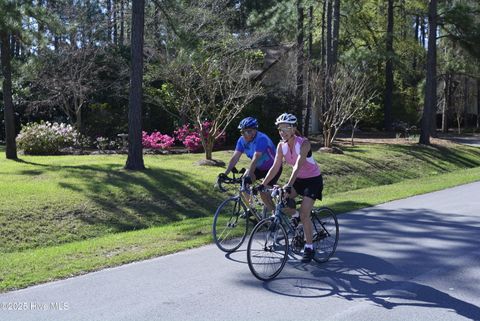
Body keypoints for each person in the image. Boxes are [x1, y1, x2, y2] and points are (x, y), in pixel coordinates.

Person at [259, 113, 323, 263]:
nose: (282, 132)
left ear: (294, 128)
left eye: (286, 128)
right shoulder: (281, 145)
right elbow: (275, 167)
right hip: (298, 180)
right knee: (282, 201)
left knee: (305, 214)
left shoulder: (304, 143)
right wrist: (263, 184)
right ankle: (295, 218)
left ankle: (309, 247)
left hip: (312, 181)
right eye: (280, 129)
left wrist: (288, 185)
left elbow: (297, 166)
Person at [220, 117, 281, 212]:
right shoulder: (241, 140)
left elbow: (255, 158)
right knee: (244, 184)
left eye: (248, 131)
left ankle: (275, 218)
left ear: (255, 131)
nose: (245, 134)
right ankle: (251, 210)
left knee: (263, 193)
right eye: (243, 132)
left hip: (273, 168)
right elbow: (235, 158)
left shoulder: (261, 139)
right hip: (259, 168)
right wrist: (225, 174)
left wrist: (250, 174)